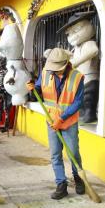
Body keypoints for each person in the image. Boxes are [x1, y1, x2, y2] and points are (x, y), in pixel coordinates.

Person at [27, 48, 86, 200]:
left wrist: (62, 118)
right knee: (55, 154)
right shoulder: (47, 72)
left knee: (73, 152)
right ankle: (61, 184)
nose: (55, 71)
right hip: (51, 121)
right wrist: (33, 89)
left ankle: (78, 177)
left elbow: (78, 102)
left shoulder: (77, 77)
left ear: (66, 64)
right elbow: (39, 91)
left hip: (68, 122)